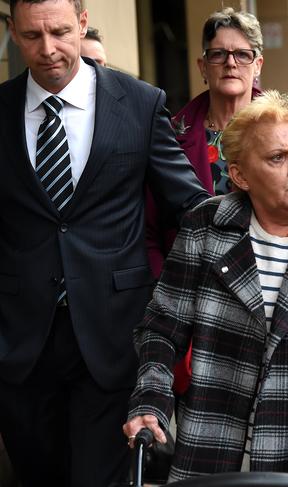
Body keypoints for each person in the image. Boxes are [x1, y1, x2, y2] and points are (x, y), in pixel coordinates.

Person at [124, 91, 288, 485]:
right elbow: (162, 329)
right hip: (212, 451)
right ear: (241, 175)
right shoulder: (205, 227)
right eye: (277, 158)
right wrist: (150, 400)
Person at [0, 0, 209, 486]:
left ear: (83, 23)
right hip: (19, 345)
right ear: (12, 31)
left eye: (59, 32)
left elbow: (189, 205)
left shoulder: (139, 103)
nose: (48, 49)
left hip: (114, 338)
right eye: (32, 36)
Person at [145, 8, 288, 395]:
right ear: (202, 65)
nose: (230, 62)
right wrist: (170, 294)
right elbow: (150, 227)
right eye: (218, 54)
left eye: (242, 54)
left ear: (258, 63)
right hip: (199, 311)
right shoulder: (170, 134)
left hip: (280, 298)